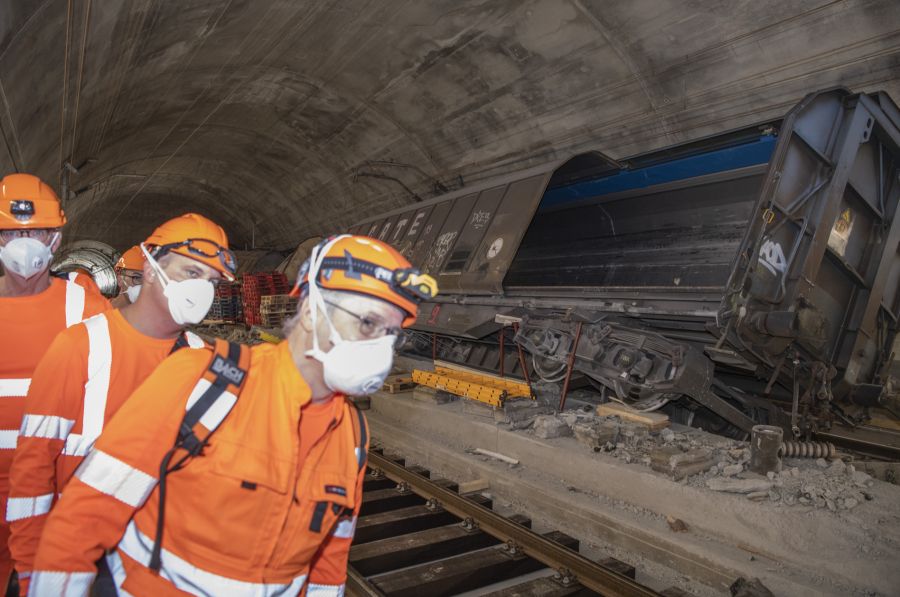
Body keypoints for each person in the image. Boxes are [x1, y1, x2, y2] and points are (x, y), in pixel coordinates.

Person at [30, 235, 437, 596]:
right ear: (313, 311)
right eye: (368, 323)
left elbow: (329, 563)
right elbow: (83, 518)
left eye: (392, 333)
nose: (381, 349)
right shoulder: (201, 381)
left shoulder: (351, 435)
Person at [7, 213, 235, 594]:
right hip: (86, 562)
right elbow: (32, 471)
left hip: (164, 564)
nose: (202, 290)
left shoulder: (209, 360)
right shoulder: (80, 346)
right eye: (191, 273)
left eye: (211, 281)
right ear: (148, 269)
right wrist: (33, 572)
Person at [0, 173, 110, 592]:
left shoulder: (85, 305)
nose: (22, 243)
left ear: (56, 239)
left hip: (55, 497)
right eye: (10, 232)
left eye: (37, 230)